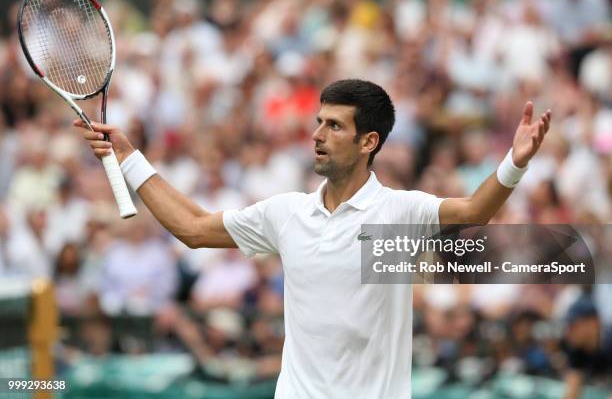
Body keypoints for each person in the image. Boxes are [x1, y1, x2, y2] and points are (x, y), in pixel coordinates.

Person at [75, 79, 551, 398]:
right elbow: (194, 229)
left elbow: (474, 212)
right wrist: (129, 156)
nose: (318, 134)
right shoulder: (286, 213)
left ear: (369, 143)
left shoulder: (401, 211)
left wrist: (515, 162)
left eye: (335, 125)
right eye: (319, 122)